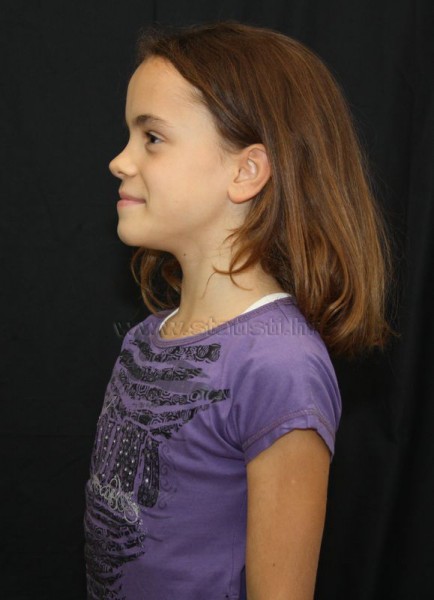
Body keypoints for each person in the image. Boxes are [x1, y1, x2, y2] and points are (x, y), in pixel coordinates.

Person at [83, 21, 391, 600]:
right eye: (130, 136)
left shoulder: (279, 365)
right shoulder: (145, 340)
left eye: (152, 137)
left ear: (245, 171)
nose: (120, 161)